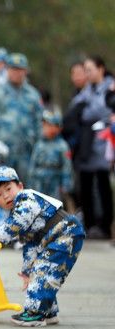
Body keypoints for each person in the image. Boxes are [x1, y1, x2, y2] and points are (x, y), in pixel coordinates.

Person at [0, 166, 85, 326]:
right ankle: (49, 312)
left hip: (66, 232)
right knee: (41, 270)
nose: (5, 195)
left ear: (20, 186)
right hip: (58, 237)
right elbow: (30, 246)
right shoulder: (17, 212)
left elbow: (17, 222)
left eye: (8, 188)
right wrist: (26, 272)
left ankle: (35, 313)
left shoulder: (26, 199)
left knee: (44, 269)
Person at [68, 56, 114, 239]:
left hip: (105, 143)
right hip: (86, 146)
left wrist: (87, 111)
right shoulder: (86, 90)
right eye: (85, 70)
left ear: (101, 68)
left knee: (103, 185)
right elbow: (75, 109)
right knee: (85, 184)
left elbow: (103, 110)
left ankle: (104, 226)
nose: (87, 73)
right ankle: (89, 224)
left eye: (90, 69)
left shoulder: (110, 87)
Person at [0, 53, 43, 182]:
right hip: (2, 152)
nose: (16, 73)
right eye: (13, 69)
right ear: (7, 70)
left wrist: (39, 149)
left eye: (20, 69)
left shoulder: (33, 95)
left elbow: (39, 123)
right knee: (2, 188)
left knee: (26, 190)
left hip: (26, 152)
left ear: (26, 71)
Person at [28, 110, 73, 201]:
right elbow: (33, 164)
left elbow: (66, 166)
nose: (45, 128)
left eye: (49, 125)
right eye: (44, 125)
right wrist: (30, 183)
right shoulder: (39, 145)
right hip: (39, 183)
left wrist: (65, 184)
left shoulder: (62, 146)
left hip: (54, 183)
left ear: (57, 128)